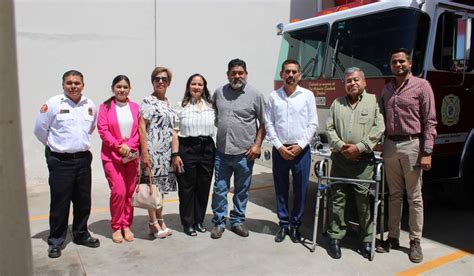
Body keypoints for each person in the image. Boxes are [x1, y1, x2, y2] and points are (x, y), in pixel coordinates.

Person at [376, 48, 437, 263]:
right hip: (391, 146)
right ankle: (392, 237)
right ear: (390, 66)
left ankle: (414, 242)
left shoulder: (422, 86)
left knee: (414, 197)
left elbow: (430, 121)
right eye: (394, 62)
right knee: (393, 195)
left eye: (402, 61)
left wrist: (427, 151)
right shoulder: (387, 90)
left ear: (410, 64)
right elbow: (381, 119)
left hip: (413, 144)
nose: (398, 65)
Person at [34, 70, 100, 258]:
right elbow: (40, 130)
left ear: (83, 85)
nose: (73, 86)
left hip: (83, 159)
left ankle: (80, 234)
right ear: (63, 84)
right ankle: (55, 240)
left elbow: (91, 127)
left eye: (77, 83)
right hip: (60, 161)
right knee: (60, 203)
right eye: (69, 82)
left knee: (83, 201)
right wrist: (56, 147)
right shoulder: (53, 104)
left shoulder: (90, 105)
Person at [325, 67, 385, 259]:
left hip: (363, 161)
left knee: (364, 200)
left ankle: (367, 239)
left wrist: (359, 147)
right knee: (337, 198)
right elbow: (330, 128)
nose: (352, 83)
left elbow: (379, 127)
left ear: (364, 82)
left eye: (356, 80)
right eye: (349, 80)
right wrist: (343, 147)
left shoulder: (374, 101)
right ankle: (335, 238)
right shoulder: (337, 103)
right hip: (340, 160)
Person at [210, 58, 266, 239]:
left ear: (246, 74)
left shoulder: (255, 95)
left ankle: (237, 221)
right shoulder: (219, 93)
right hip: (222, 152)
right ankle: (219, 222)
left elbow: (264, 122)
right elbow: (215, 117)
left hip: (245, 153)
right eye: (233, 73)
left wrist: (257, 145)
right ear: (228, 75)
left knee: (241, 190)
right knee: (219, 189)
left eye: (240, 73)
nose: (237, 76)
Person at [264, 59, 318, 243]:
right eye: (287, 71)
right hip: (280, 150)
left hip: (301, 150)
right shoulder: (273, 97)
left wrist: (300, 145)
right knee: (280, 189)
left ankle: (295, 226)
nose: (291, 75)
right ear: (282, 75)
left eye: (294, 72)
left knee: (300, 190)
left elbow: (313, 123)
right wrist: (279, 146)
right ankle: (283, 224)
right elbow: (268, 123)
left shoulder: (307, 95)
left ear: (300, 75)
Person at [171, 73, 216, 236]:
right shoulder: (180, 106)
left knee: (203, 187)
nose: (196, 87)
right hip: (187, 149)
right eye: (193, 84)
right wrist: (175, 154)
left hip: (207, 149)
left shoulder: (211, 106)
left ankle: (199, 221)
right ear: (188, 87)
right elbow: (175, 132)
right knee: (186, 187)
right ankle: (188, 222)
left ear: (204, 87)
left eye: (200, 84)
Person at [97, 75, 140, 243]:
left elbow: (139, 131)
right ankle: (116, 226)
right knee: (118, 191)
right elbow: (103, 130)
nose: (122, 90)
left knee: (129, 192)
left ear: (129, 89)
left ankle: (126, 225)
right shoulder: (105, 107)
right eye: (118, 87)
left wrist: (129, 145)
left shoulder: (135, 107)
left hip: (131, 155)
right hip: (112, 155)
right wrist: (118, 145)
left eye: (125, 87)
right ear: (113, 88)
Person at [139, 67, 177, 239]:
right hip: (152, 152)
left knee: (160, 189)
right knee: (152, 188)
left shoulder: (169, 103)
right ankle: (152, 223)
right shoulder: (148, 101)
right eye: (156, 78)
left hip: (166, 154)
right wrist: (145, 152)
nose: (160, 81)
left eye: (163, 78)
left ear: (168, 82)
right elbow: (142, 127)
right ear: (152, 81)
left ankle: (160, 219)